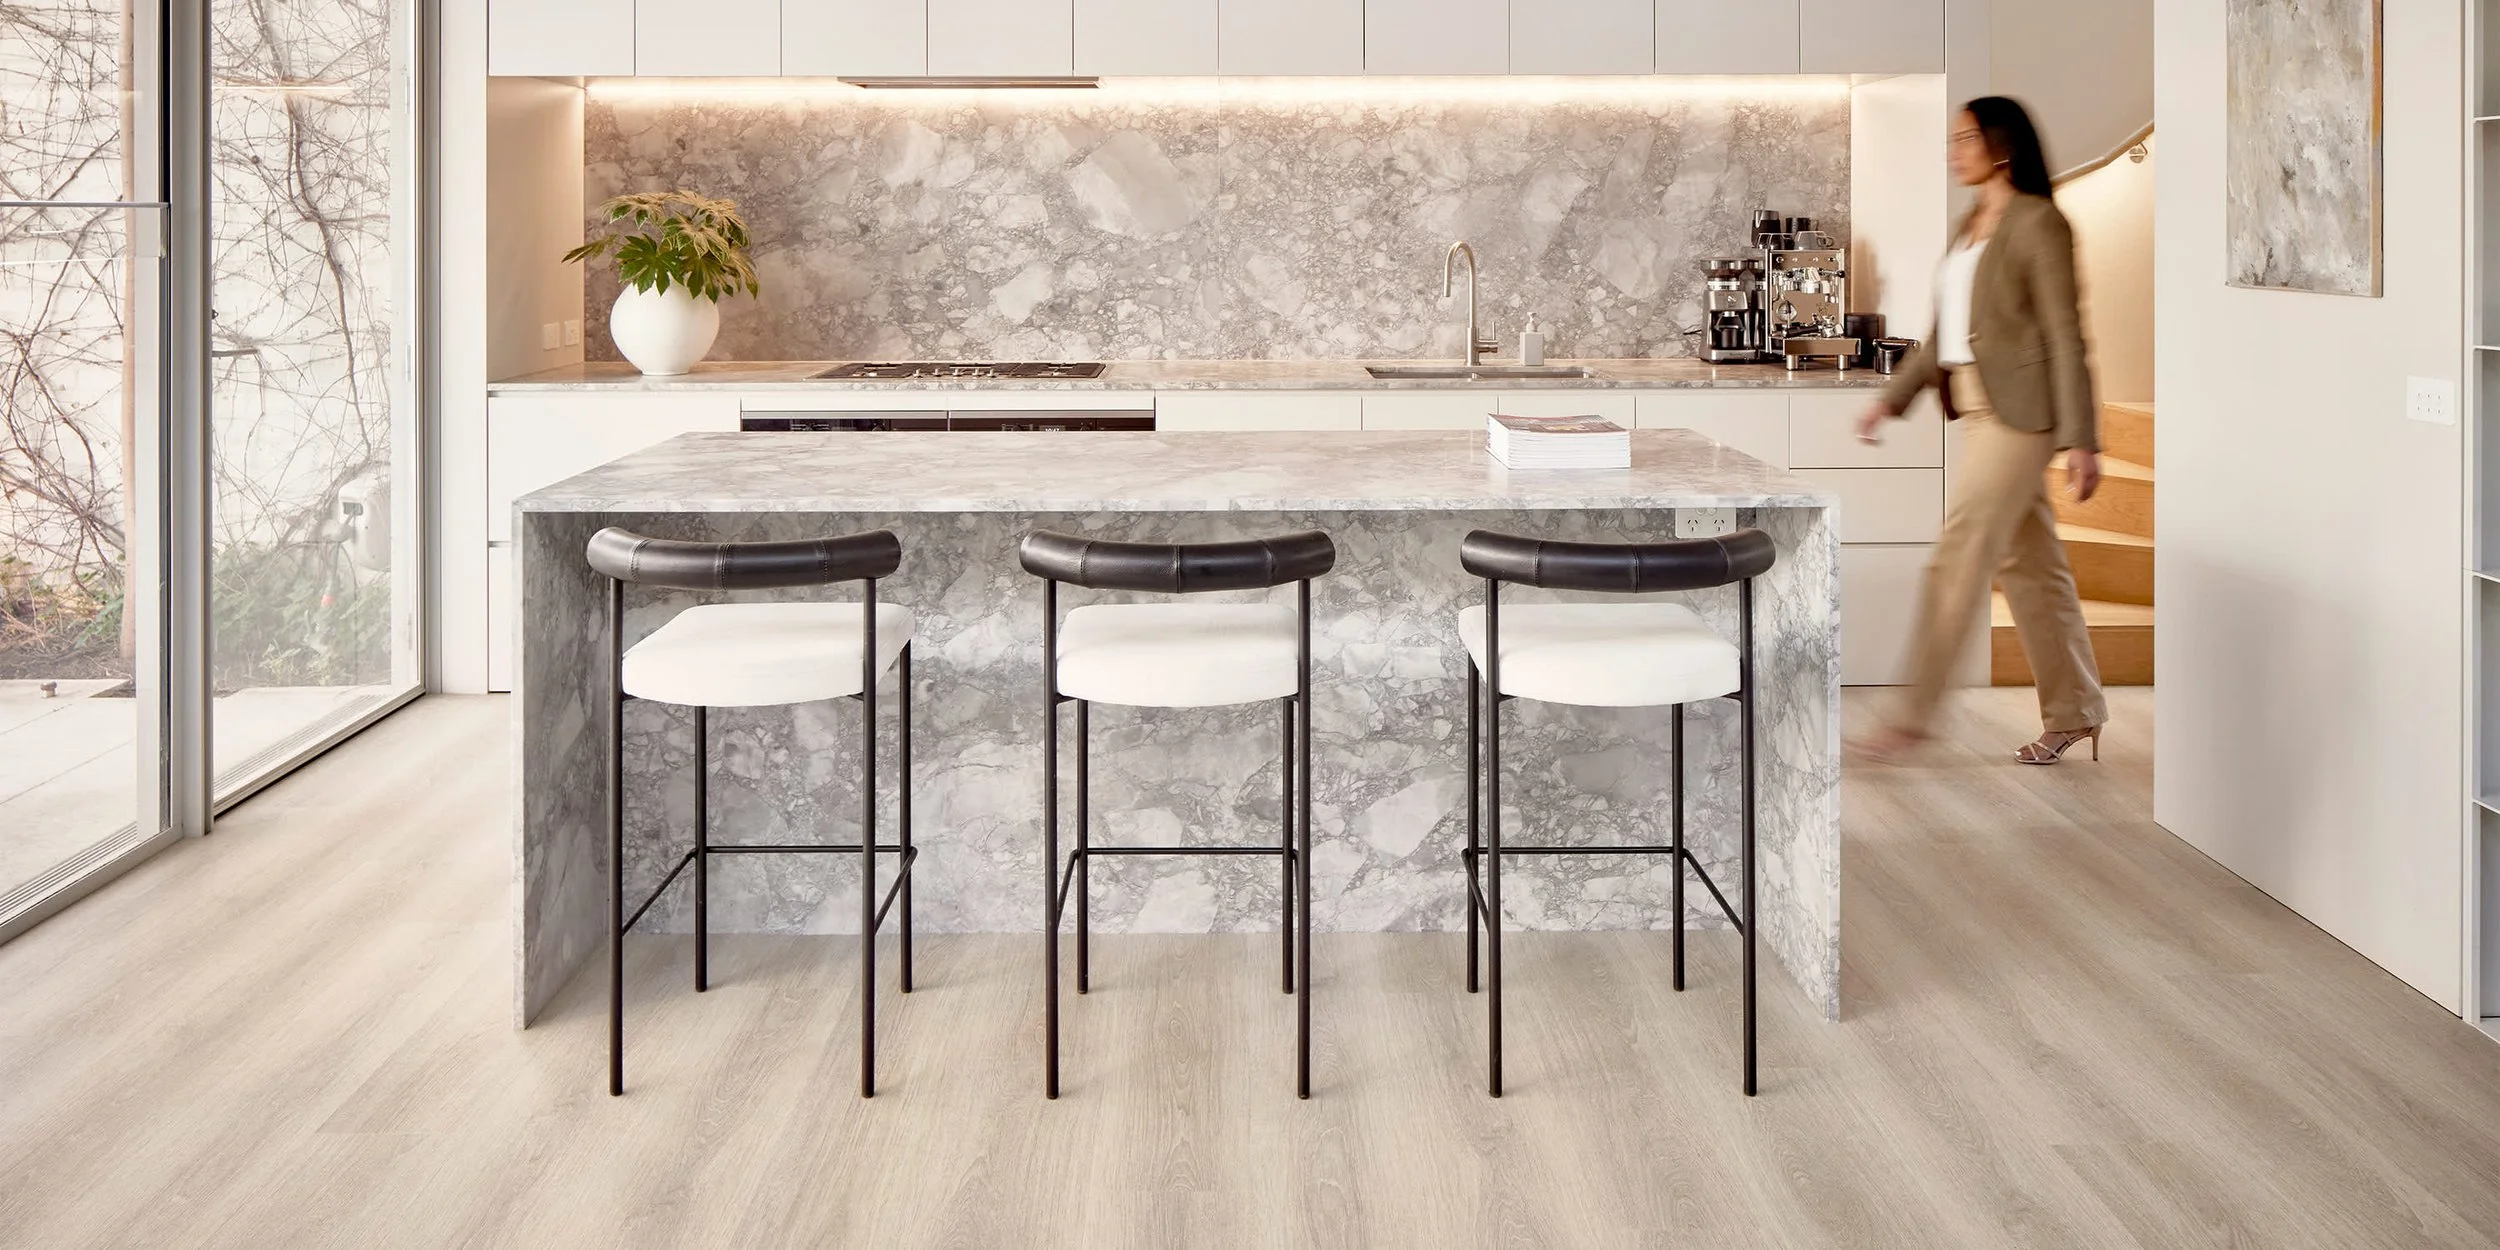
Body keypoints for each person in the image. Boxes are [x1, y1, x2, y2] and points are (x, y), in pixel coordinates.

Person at [1853, 96, 2108, 766]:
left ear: (2002, 145)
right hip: (1976, 406)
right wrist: (1890, 401)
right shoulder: (1969, 224)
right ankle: (2076, 711)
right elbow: (1942, 333)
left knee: (1958, 555)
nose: (1953, 151)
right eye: (1952, 139)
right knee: (2031, 566)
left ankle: (1911, 718)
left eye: (1965, 138)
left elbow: (2065, 334)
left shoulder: (2039, 222)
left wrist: (2083, 438)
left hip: (2022, 417)